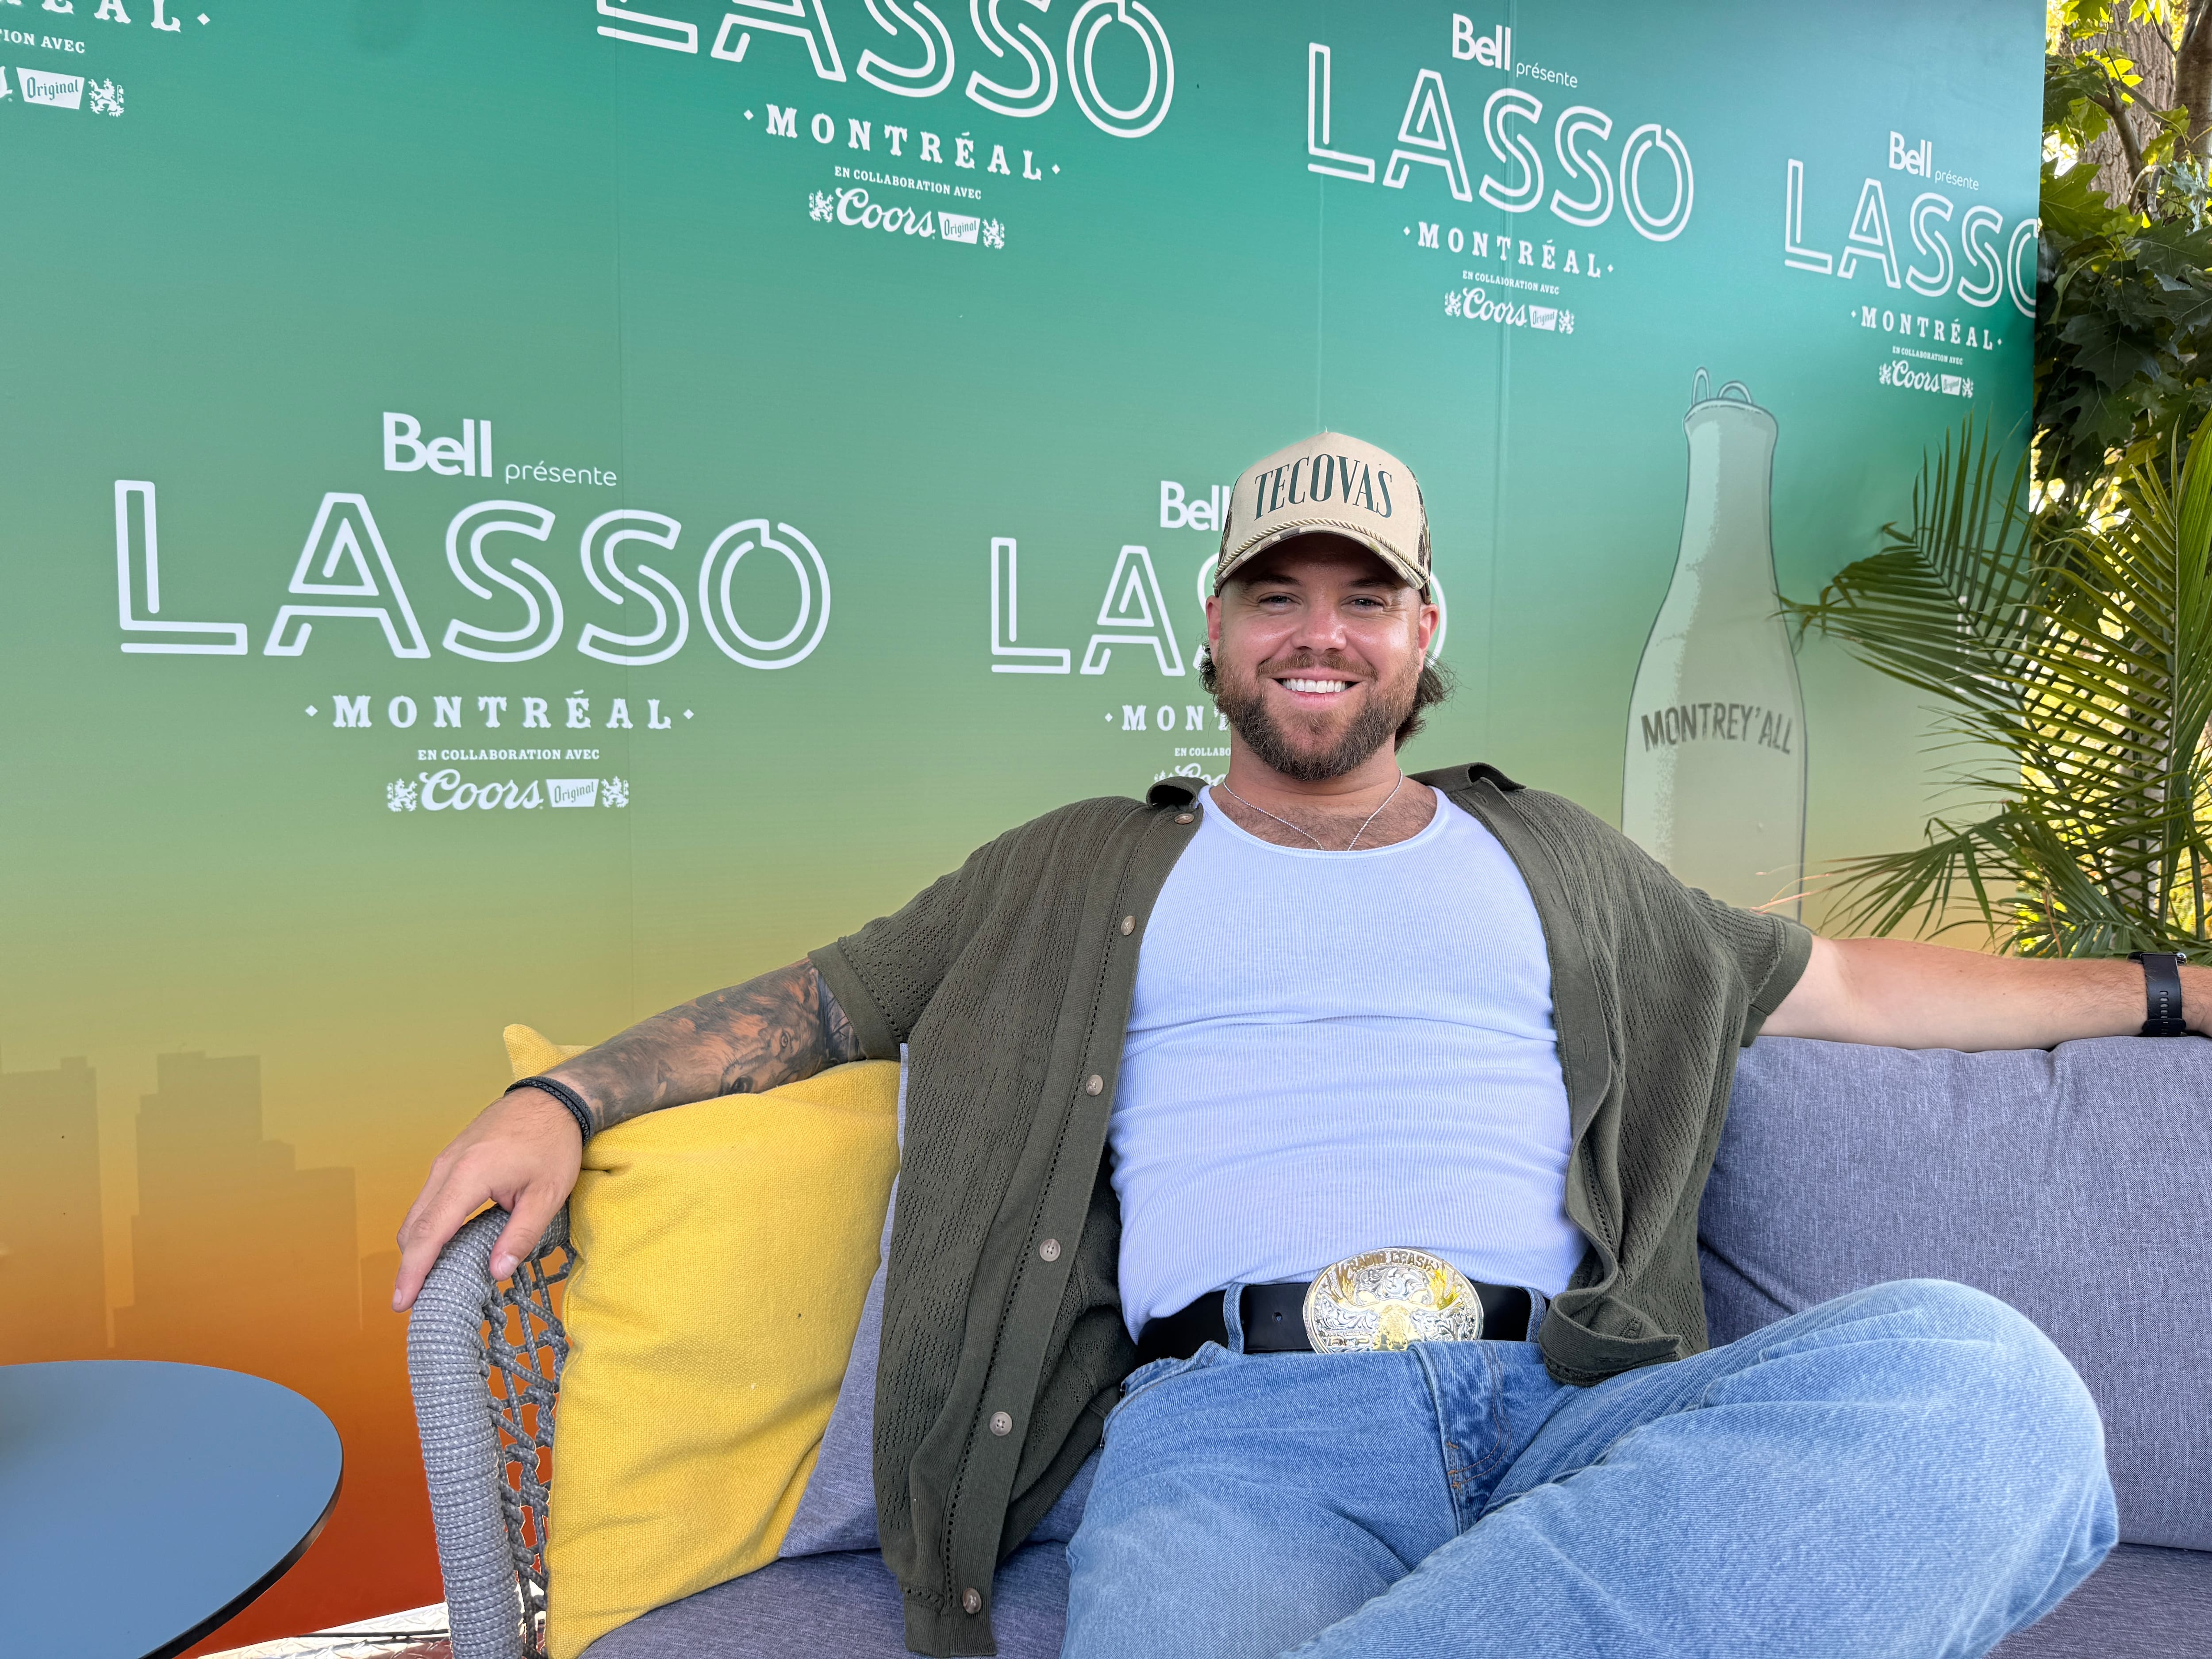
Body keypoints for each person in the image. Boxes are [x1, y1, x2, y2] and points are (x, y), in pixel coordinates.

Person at [395, 432, 2147, 1659]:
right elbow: (818, 1002)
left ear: (1421, 633)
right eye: (1274, 590)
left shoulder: (1558, 859)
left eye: (1363, 592)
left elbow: (1846, 980)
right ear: (1216, 630)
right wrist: (567, 1089)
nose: (1320, 627)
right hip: (1232, 1444)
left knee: (1987, 1384)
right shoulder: (1072, 865)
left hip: (1573, 1411)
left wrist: (2169, 988)